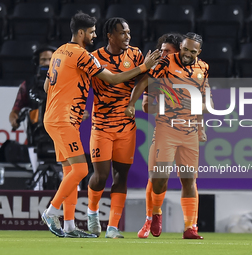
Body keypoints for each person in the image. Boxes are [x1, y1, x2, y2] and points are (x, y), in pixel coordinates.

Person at [40, 11, 160, 238]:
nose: (94, 36)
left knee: (70, 172)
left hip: (60, 117)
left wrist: (70, 99)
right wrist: (144, 67)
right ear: (82, 32)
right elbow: (113, 79)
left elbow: (48, 87)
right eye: (92, 32)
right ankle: (51, 212)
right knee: (81, 170)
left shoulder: (59, 51)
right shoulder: (83, 55)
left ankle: (69, 226)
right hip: (67, 119)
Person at [125, 32, 213, 239]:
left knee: (189, 180)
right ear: (181, 47)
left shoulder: (203, 68)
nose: (188, 53)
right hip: (166, 130)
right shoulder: (165, 64)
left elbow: (208, 103)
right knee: (159, 179)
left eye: (193, 51)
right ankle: (155, 212)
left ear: (198, 52)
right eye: (185, 49)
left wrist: (199, 122)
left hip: (189, 133)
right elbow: (143, 83)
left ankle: (191, 228)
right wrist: (131, 104)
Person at [86, 17, 145, 239]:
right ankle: (92, 214)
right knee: (100, 176)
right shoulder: (95, 58)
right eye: (122, 33)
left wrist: (133, 102)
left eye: (129, 32)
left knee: (121, 176)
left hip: (126, 127)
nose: (127, 36)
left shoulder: (136, 55)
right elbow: (101, 81)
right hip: (101, 126)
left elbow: (144, 79)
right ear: (110, 35)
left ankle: (112, 226)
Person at [9, 44, 56, 190]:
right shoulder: (27, 85)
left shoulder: (66, 82)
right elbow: (16, 109)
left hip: (60, 136)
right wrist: (14, 119)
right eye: (43, 60)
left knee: (65, 176)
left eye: (50, 59)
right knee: (38, 178)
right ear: (37, 62)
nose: (47, 63)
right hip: (36, 137)